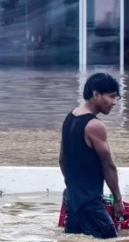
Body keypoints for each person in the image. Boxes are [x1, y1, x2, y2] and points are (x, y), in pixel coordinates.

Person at [60, 73, 122, 239]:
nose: (114, 102)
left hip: (72, 201)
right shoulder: (95, 126)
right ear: (96, 95)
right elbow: (108, 166)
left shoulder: (70, 117)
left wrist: (75, 189)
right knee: (112, 239)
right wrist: (118, 200)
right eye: (111, 96)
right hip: (90, 205)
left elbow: (62, 160)